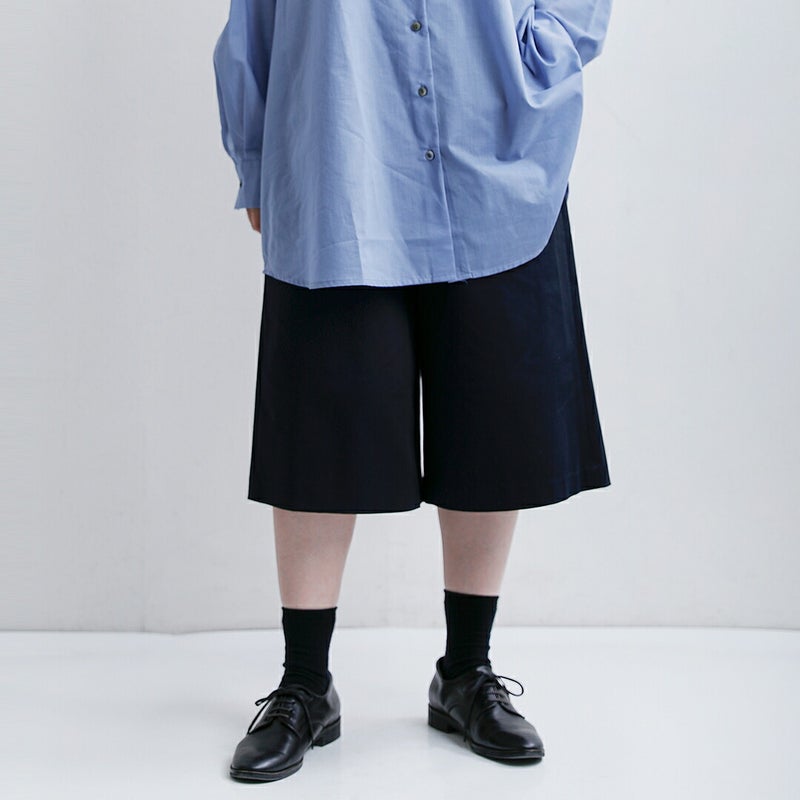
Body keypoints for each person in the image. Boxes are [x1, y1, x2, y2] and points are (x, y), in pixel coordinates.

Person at [213, 0, 613, 783]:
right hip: (337, 143)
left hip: (497, 144)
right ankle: (305, 684)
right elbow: (253, 13)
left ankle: (466, 673)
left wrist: (540, 61)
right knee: (321, 419)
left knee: (490, 418)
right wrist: (257, 153)